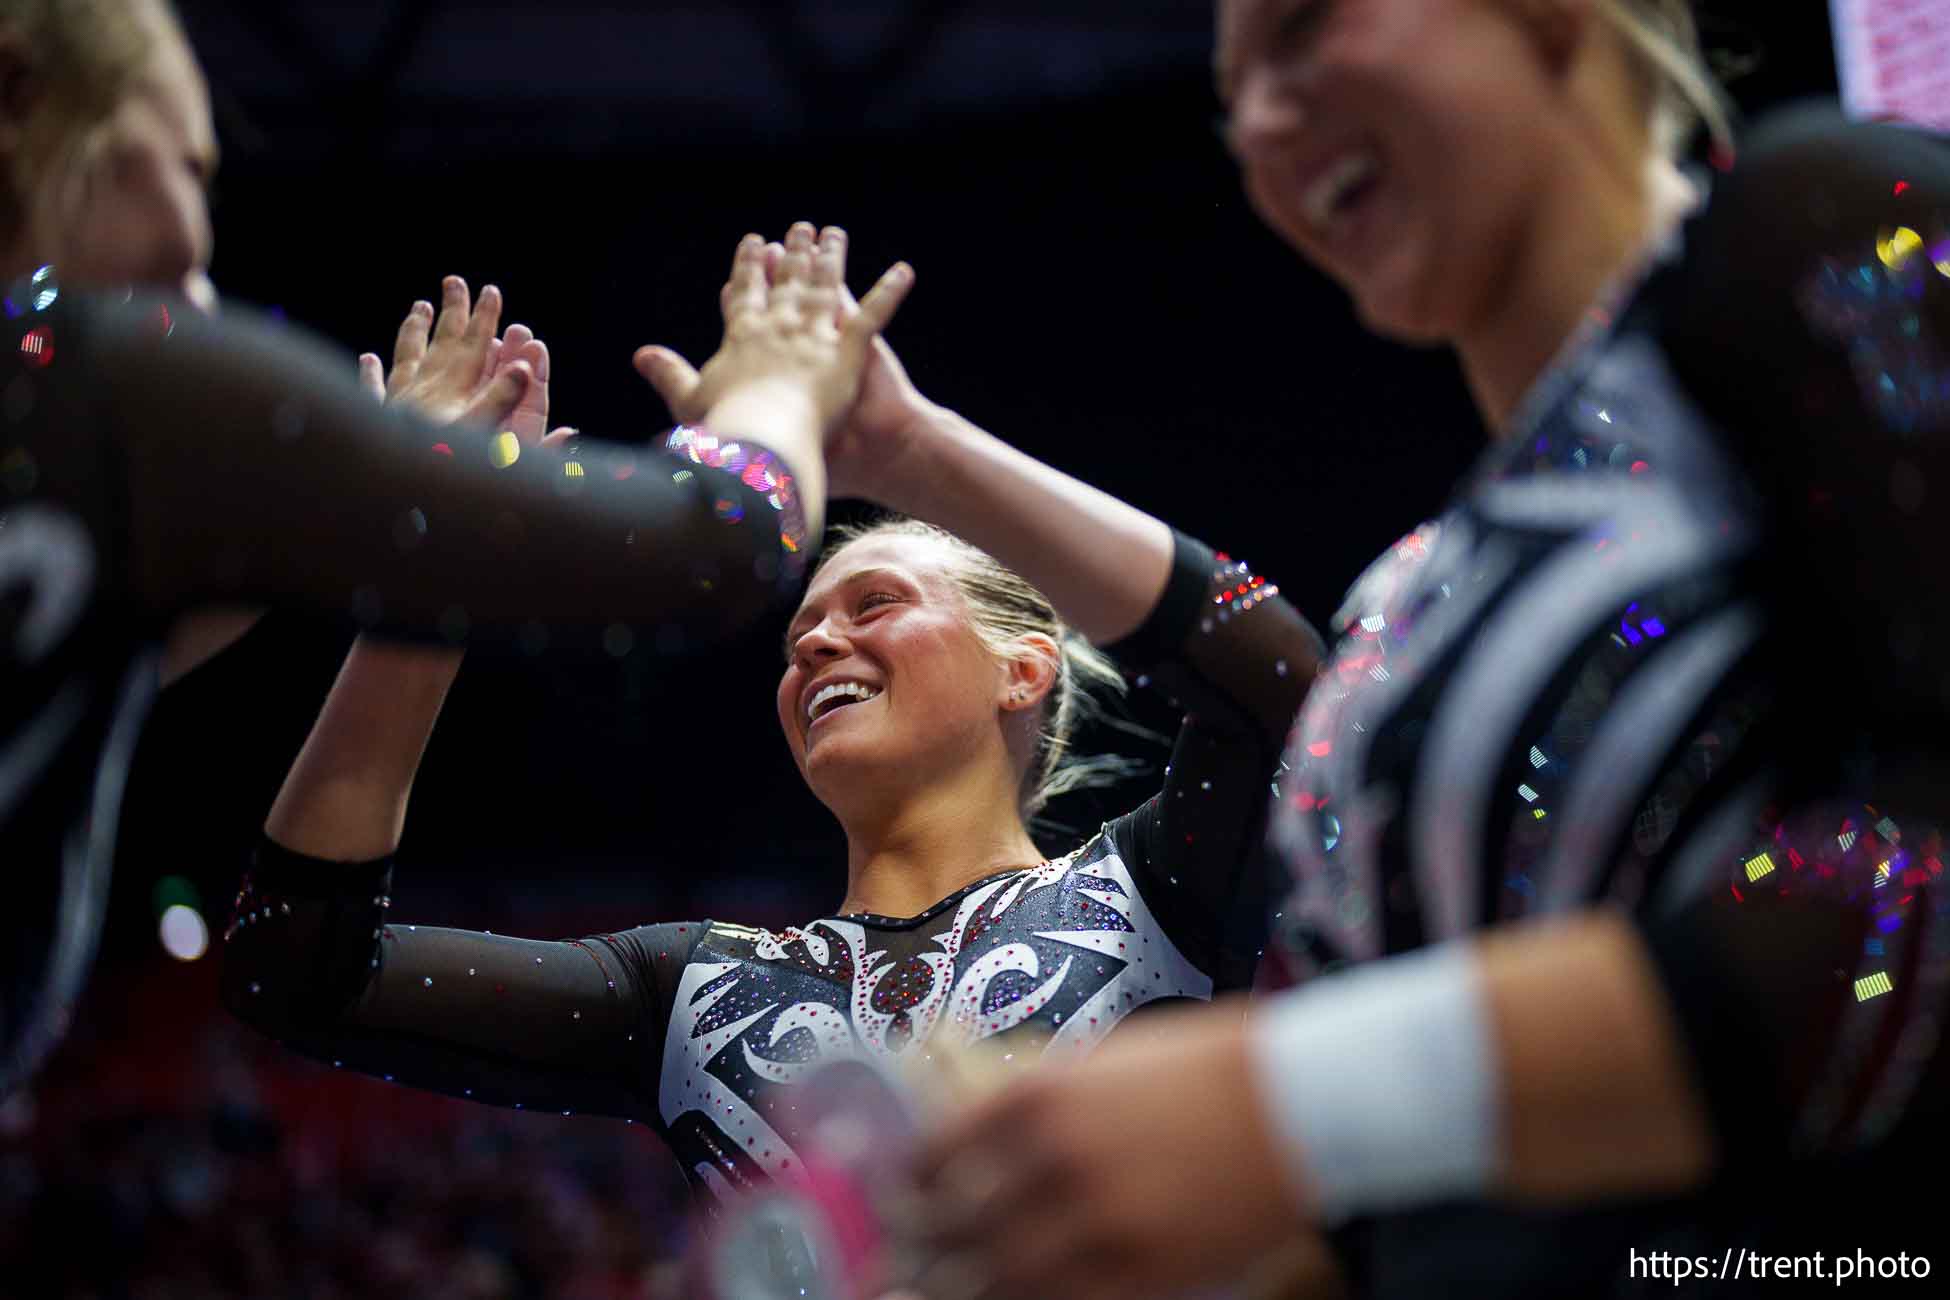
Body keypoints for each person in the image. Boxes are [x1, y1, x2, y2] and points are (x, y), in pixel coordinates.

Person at [909, 2, 1950, 1297]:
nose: (1262, 125)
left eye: (1304, 30)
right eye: (1232, 98)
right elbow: (1394, 1214)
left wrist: (1295, 1096)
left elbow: (1916, 890)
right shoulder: (1403, 607)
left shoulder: (1823, 223)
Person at [220, 221, 1325, 1232]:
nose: (813, 646)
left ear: (1023, 668)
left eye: (876, 603)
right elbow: (295, 968)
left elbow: (1281, 681)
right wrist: (428, 576)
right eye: (797, 632)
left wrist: (909, 448)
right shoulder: (685, 995)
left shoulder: (1158, 893)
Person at [0, 0, 908, 1095]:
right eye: (191, 167)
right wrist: (775, 386)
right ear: (22, 107)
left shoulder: (67, 450)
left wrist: (404, 527)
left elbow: (150, 623)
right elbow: (712, 543)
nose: (199, 267)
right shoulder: (91, 382)